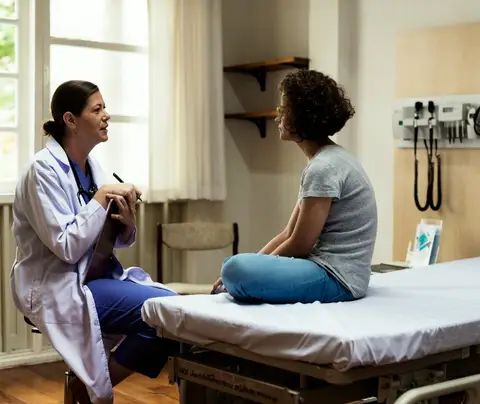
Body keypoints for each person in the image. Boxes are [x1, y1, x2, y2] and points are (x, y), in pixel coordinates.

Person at [10, 80, 179, 404]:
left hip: (92, 277)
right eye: (97, 109)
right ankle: (89, 390)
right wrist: (101, 199)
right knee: (168, 314)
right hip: (55, 284)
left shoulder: (94, 168)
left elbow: (116, 241)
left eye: (105, 109)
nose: (107, 116)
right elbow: (67, 246)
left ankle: (86, 389)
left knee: (175, 308)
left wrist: (126, 222)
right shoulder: (41, 170)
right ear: (70, 120)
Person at [212, 70, 378, 304]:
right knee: (235, 266)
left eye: (284, 109)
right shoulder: (326, 161)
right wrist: (257, 262)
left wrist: (252, 268)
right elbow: (289, 234)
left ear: (303, 117)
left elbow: (301, 244)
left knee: (235, 269)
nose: (277, 117)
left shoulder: (324, 167)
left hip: (338, 278)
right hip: (333, 271)